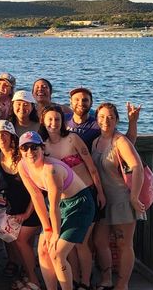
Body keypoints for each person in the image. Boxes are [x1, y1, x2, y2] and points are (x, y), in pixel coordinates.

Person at [18, 131, 96, 290]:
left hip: (79, 205)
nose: (30, 152)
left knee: (57, 254)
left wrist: (55, 233)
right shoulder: (23, 166)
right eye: (24, 148)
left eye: (34, 147)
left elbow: (52, 206)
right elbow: (36, 196)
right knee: (44, 250)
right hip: (61, 205)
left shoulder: (51, 170)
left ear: (42, 148)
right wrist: (47, 229)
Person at [40, 104, 105, 290]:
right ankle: (73, 280)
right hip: (62, 201)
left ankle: (85, 282)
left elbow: (91, 167)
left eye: (57, 119)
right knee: (68, 246)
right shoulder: (43, 147)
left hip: (86, 195)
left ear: (63, 122)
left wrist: (100, 192)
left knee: (82, 242)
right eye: (50, 119)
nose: (53, 123)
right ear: (44, 122)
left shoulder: (73, 139)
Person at [91, 103, 145, 290]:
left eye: (110, 117)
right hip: (103, 201)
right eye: (102, 117)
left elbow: (137, 166)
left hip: (122, 199)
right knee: (99, 241)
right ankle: (106, 279)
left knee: (124, 244)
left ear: (116, 120)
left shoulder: (119, 141)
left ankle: (122, 284)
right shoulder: (95, 142)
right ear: (96, 118)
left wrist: (134, 197)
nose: (106, 121)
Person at [0, 120, 41, 290]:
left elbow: (37, 191)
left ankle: (34, 281)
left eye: (4, 134)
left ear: (12, 137)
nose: (1, 138)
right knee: (16, 241)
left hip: (32, 208)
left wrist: (27, 214)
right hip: (10, 210)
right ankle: (24, 273)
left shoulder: (24, 156)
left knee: (22, 241)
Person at [64, 88, 140, 151]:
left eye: (85, 100)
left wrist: (132, 121)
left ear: (91, 103)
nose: (80, 103)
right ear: (71, 102)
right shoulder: (63, 119)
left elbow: (128, 143)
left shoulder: (99, 125)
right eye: (76, 100)